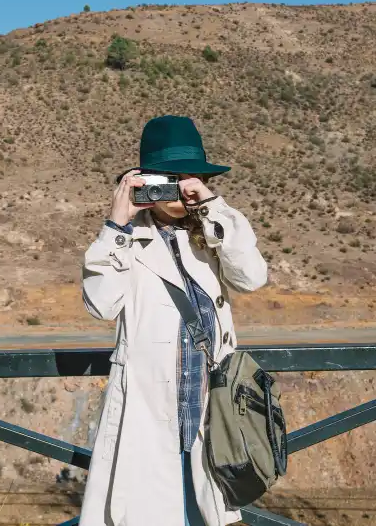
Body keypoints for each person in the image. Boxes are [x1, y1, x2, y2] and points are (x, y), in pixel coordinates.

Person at [78, 115, 268, 526]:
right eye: (168, 179)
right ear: (143, 182)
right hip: (146, 411)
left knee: (212, 513)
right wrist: (117, 223)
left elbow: (252, 278)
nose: (179, 190)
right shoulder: (126, 239)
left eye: (190, 176)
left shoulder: (212, 231)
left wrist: (210, 204)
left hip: (211, 411)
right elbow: (100, 304)